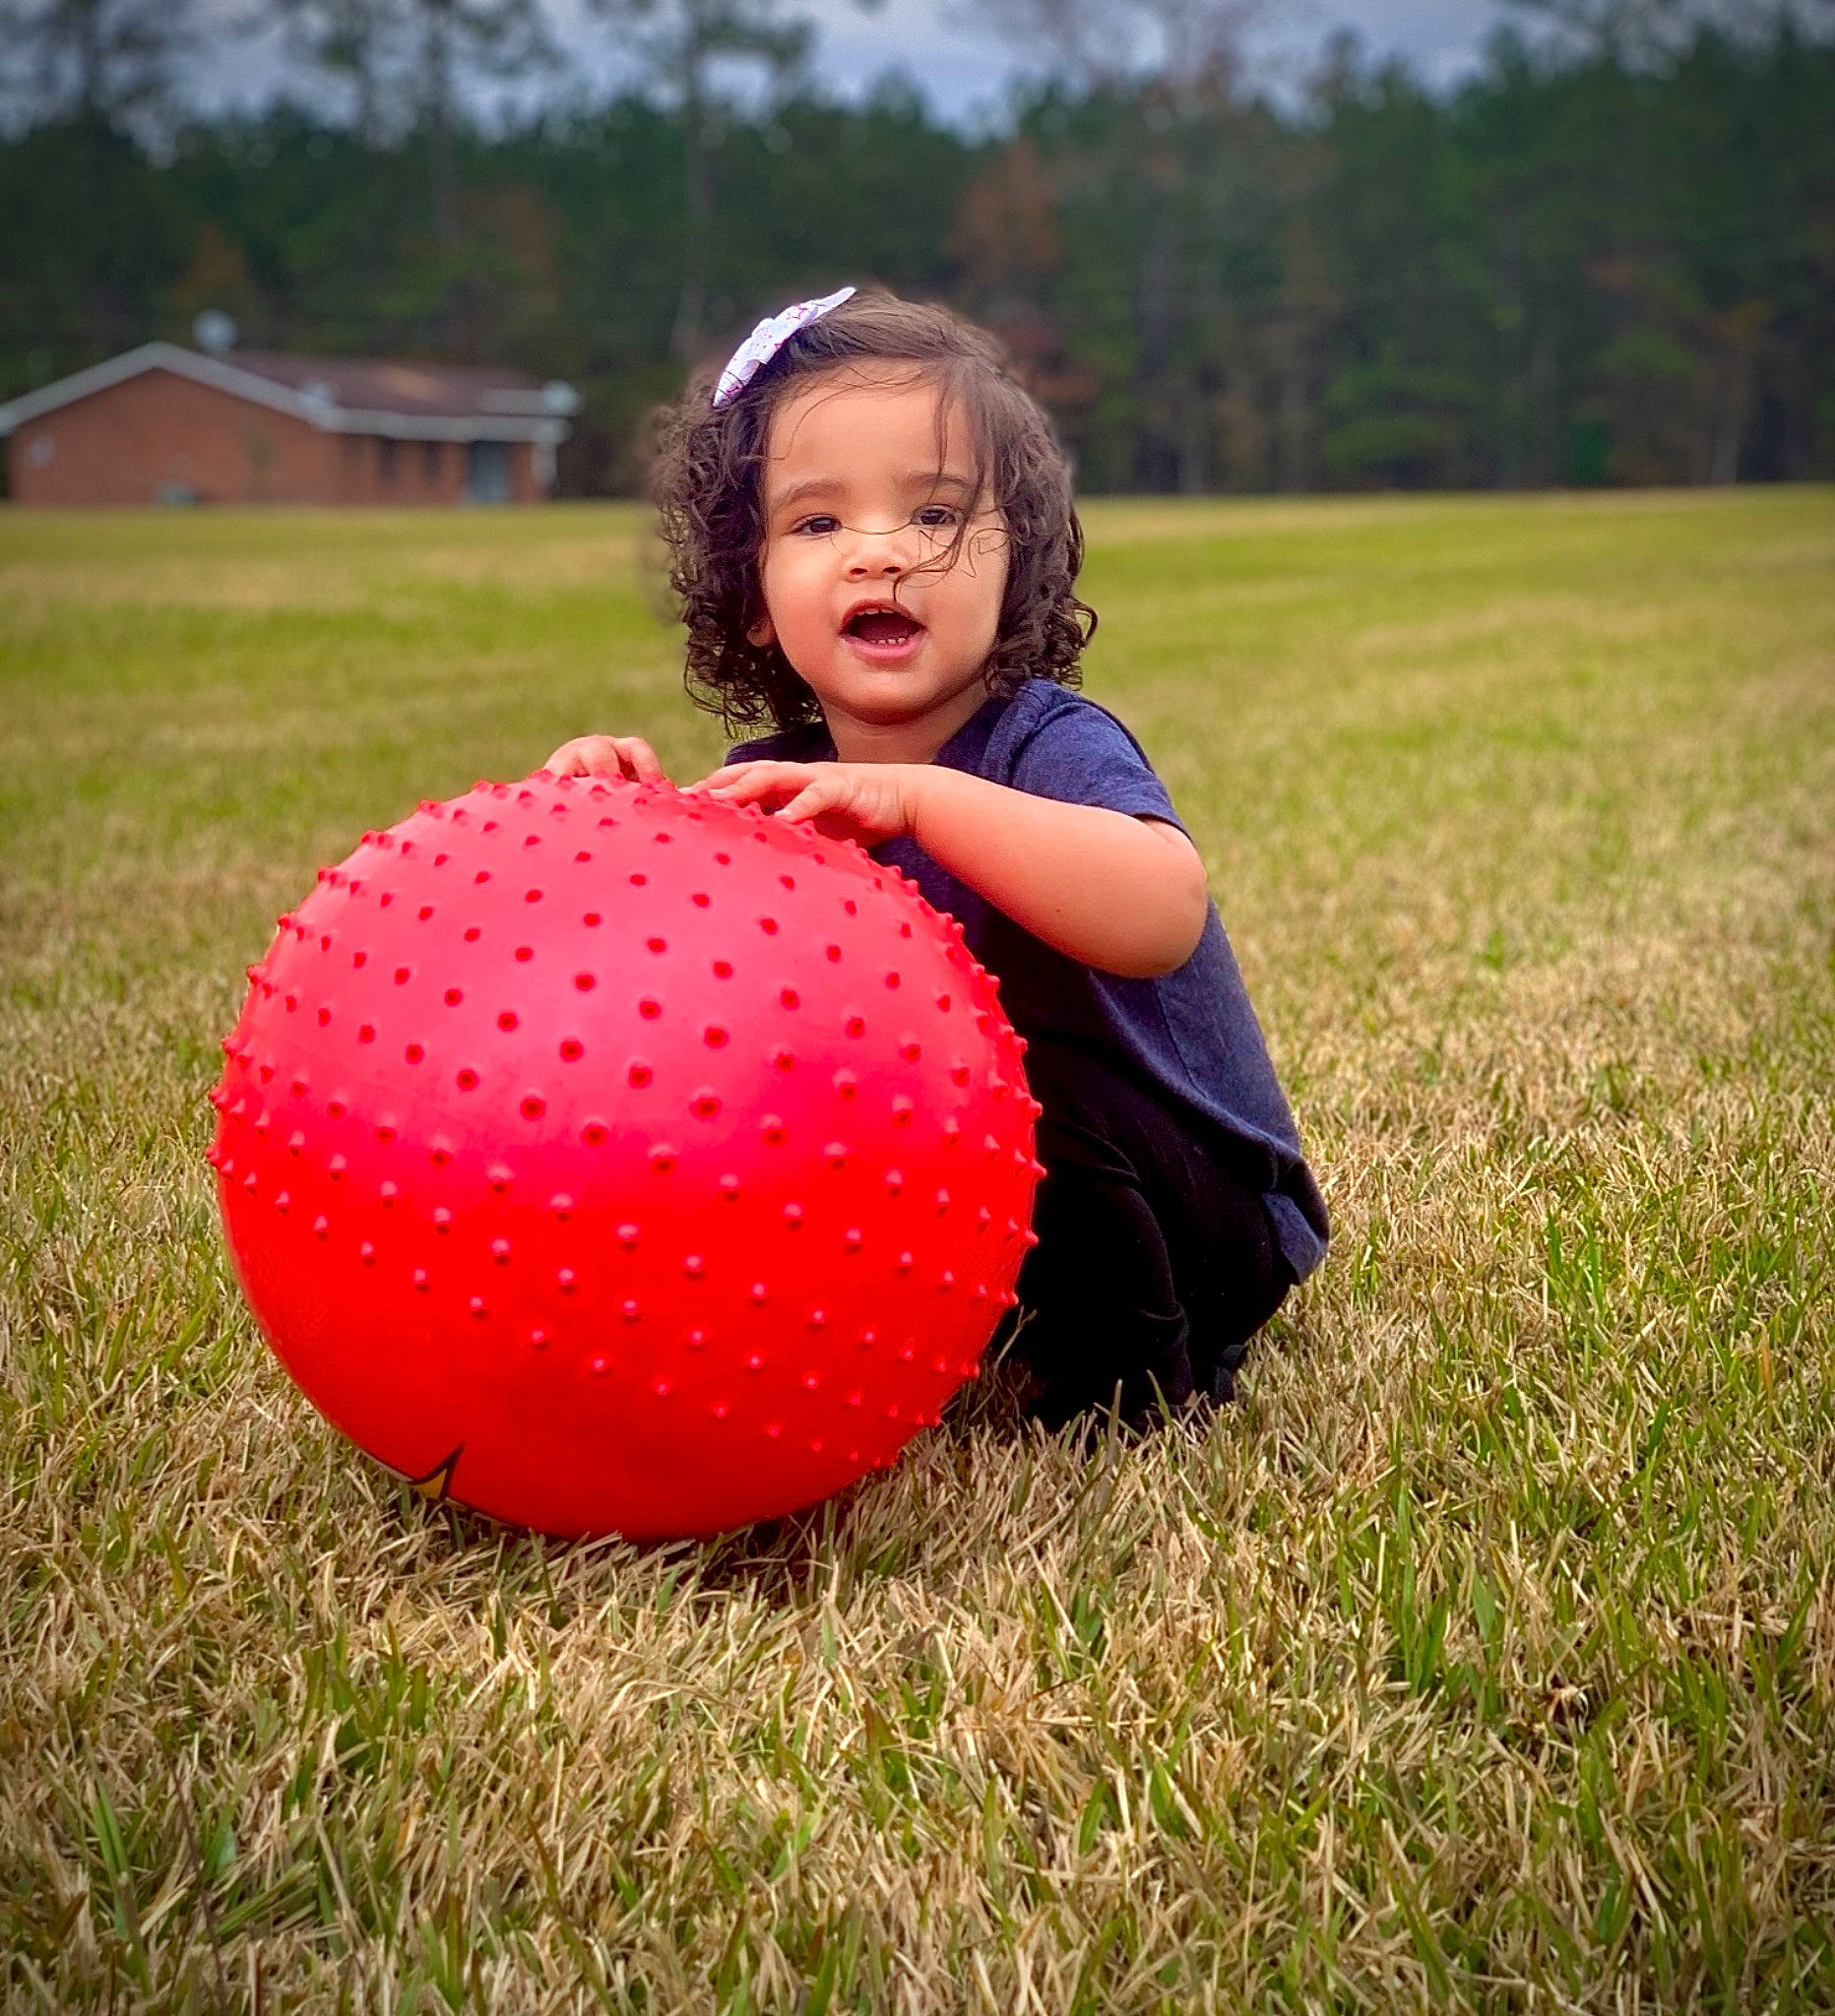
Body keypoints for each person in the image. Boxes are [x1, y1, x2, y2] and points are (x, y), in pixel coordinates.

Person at [545, 287, 1328, 1430]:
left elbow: (1161, 910)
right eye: (817, 525)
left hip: (1193, 1208)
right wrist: (606, 823)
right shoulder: (783, 784)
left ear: (1017, 564)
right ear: (753, 596)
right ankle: (963, 1336)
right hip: (968, 1217)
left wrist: (919, 798)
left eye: (934, 516)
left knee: (1018, 1081)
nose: (880, 555)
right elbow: (673, 1003)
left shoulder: (1045, 742)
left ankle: (1134, 1395)